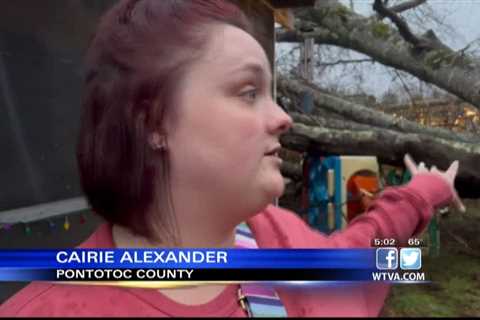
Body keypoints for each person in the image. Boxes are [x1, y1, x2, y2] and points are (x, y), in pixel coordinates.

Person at [0, 0, 465, 317]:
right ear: (153, 123)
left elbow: (359, 255)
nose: (283, 117)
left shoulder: (271, 238)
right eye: (247, 92)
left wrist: (426, 193)